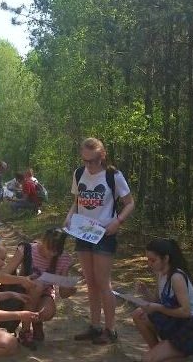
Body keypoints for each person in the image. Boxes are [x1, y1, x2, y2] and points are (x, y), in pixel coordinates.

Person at [65, 137, 135, 345]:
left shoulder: (113, 175)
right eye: (85, 160)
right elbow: (77, 200)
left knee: (103, 282)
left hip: (104, 234)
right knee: (90, 281)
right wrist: (69, 216)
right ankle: (95, 326)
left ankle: (110, 329)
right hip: (82, 232)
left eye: (93, 161)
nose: (89, 165)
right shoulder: (79, 173)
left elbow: (130, 203)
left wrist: (118, 221)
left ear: (102, 156)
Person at [0, 228, 76, 350]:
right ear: (43, 241)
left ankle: (36, 321)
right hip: (23, 292)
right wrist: (22, 280)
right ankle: (25, 331)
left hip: (45, 293)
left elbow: (63, 293)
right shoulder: (26, 250)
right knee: (37, 286)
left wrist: (70, 289)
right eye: (49, 249)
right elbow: (2, 277)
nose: (52, 254)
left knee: (47, 312)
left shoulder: (64, 258)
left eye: (56, 251)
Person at [132, 239, 193, 362]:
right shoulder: (160, 273)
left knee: (147, 359)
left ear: (166, 259)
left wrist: (157, 308)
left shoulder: (176, 277)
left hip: (188, 327)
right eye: (148, 259)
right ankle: (161, 352)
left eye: (153, 260)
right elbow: (157, 300)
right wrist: (145, 291)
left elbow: (186, 312)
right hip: (173, 320)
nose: (149, 264)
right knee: (138, 314)